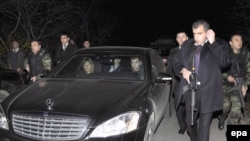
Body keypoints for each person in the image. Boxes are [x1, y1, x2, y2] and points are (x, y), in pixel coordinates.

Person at [173, 19, 232, 141]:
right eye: (194, 33)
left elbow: (225, 62)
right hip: (191, 90)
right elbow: (176, 62)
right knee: (190, 124)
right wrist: (183, 70)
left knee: (204, 126)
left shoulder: (219, 44)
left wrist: (213, 43)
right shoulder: (186, 45)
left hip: (208, 91)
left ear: (208, 32)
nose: (196, 37)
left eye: (199, 33)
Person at [218, 33, 250, 129]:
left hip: (238, 85)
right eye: (236, 40)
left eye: (240, 40)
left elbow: (249, 71)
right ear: (230, 43)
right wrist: (227, 76)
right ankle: (222, 117)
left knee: (236, 110)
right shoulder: (224, 54)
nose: (239, 42)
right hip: (224, 85)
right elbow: (216, 69)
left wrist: (245, 85)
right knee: (225, 105)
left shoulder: (246, 54)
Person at [166, 31, 189, 134]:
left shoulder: (194, 50)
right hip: (178, 81)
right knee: (178, 105)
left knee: (189, 106)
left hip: (190, 82)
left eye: (183, 36)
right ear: (176, 40)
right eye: (178, 37)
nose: (181, 39)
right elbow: (169, 67)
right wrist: (167, 79)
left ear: (187, 38)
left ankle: (189, 126)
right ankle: (182, 125)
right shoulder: (173, 51)